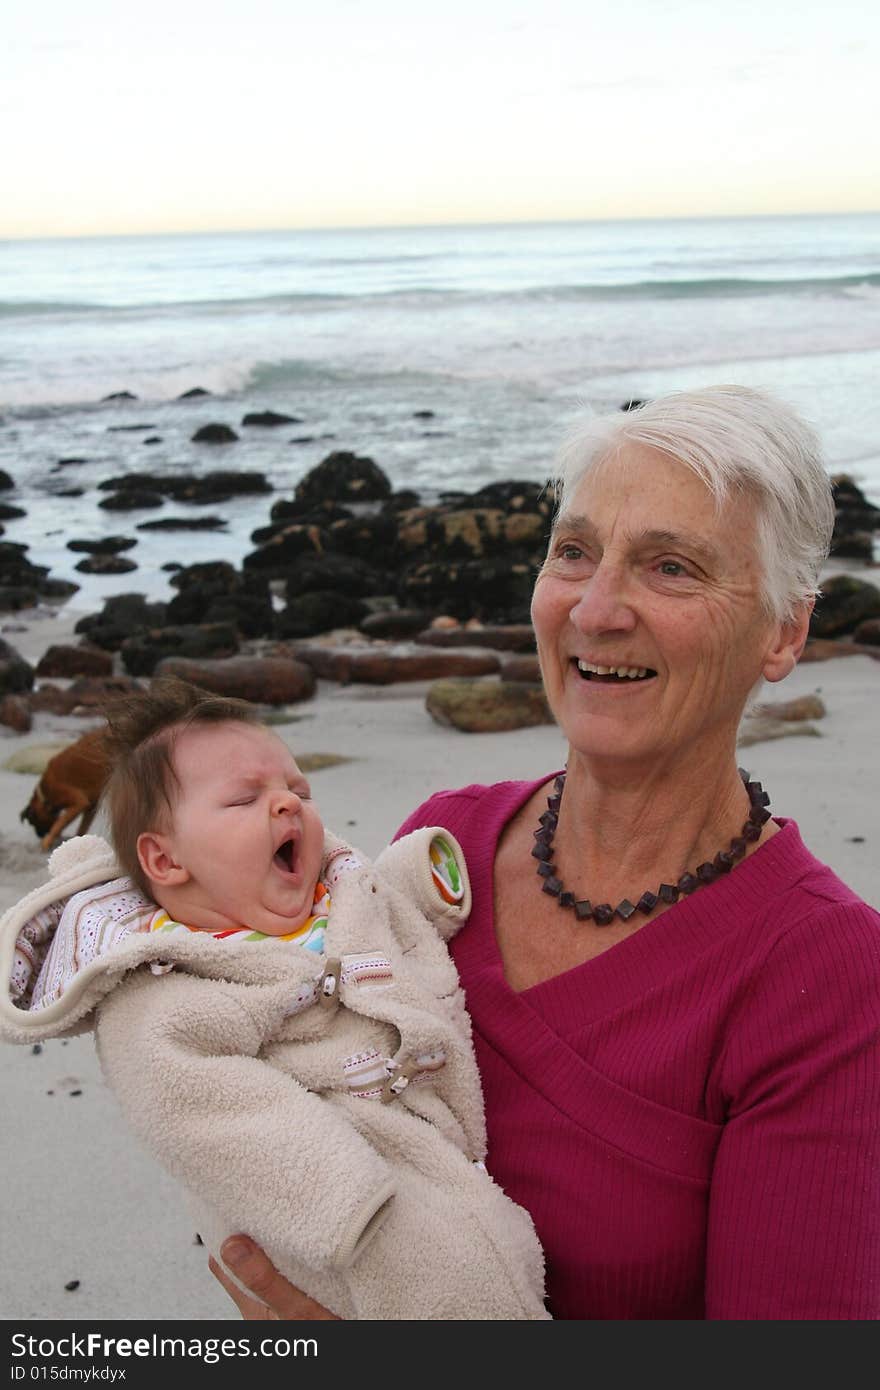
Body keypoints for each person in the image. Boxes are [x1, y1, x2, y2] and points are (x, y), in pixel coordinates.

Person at [211, 384, 880, 1321]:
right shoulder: (444, 851)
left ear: (784, 631)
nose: (597, 609)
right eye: (574, 551)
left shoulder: (827, 973)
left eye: (673, 567)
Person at [0, 677, 548, 1321]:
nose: (288, 803)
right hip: (335, 1208)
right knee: (455, 1287)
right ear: (166, 860)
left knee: (501, 1258)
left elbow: (378, 901)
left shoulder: (326, 895)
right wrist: (336, 1192)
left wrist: (424, 879)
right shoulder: (166, 988)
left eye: (300, 790)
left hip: (425, 1146)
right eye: (243, 799)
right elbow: (197, 1105)